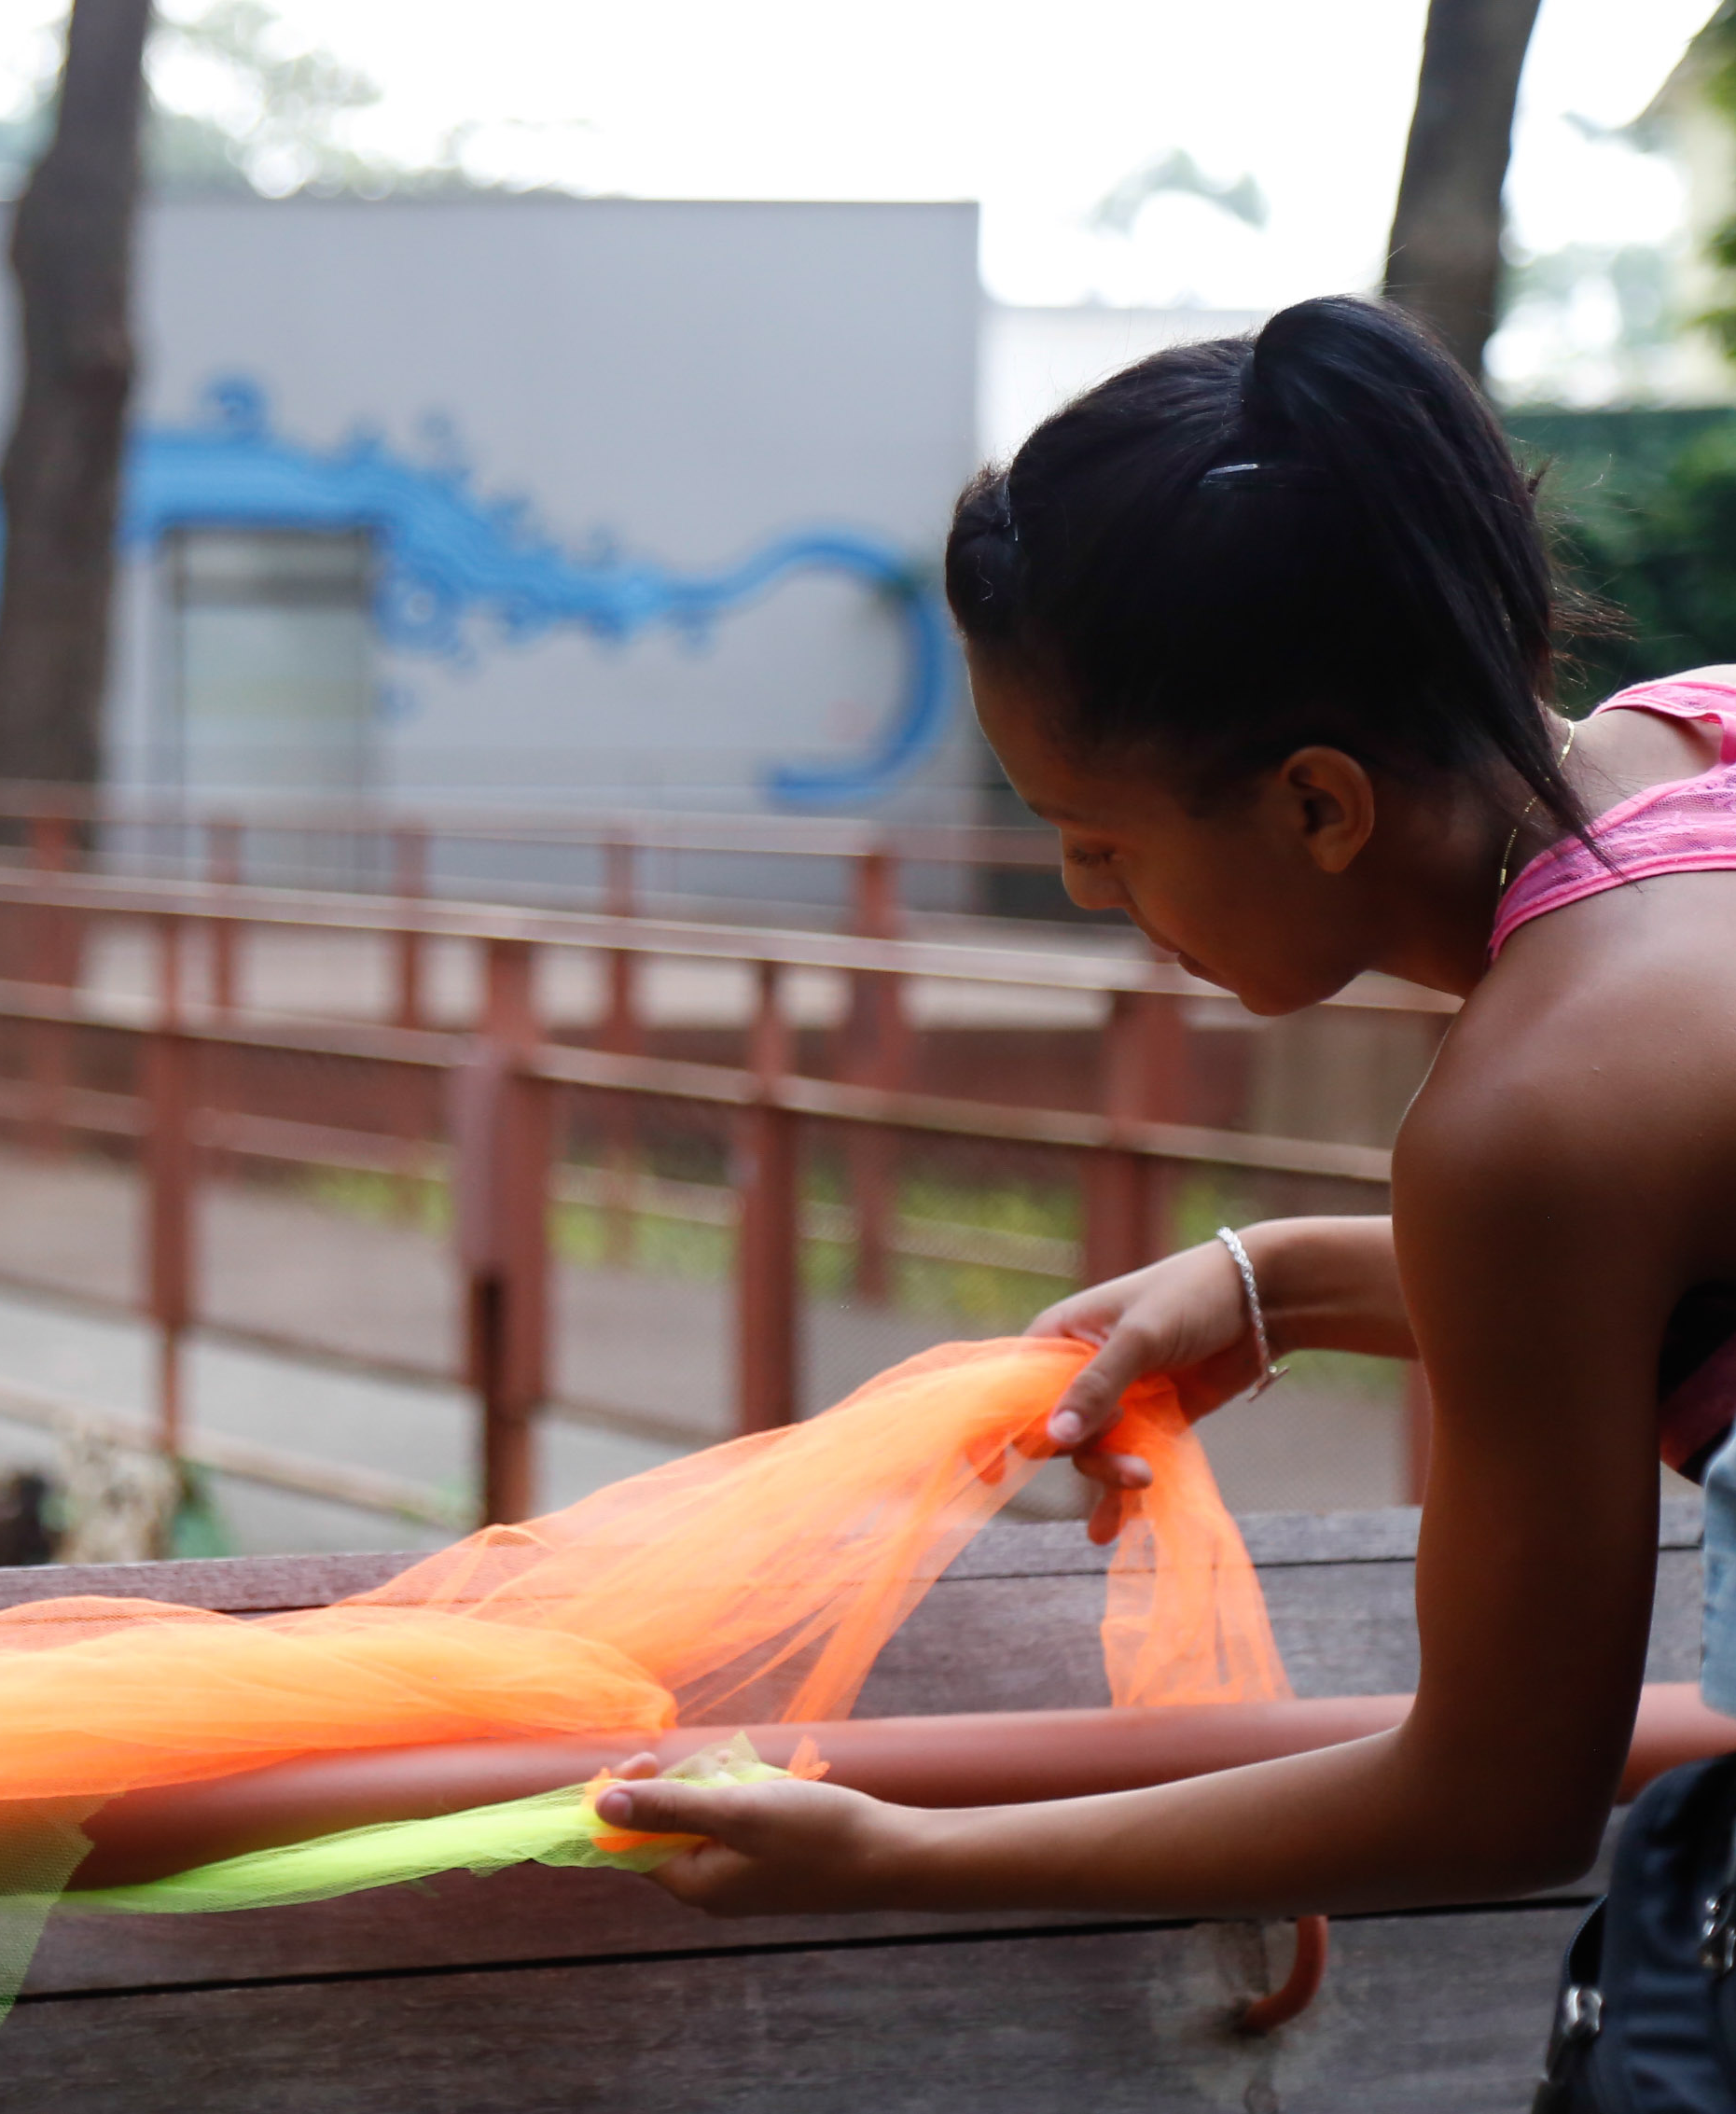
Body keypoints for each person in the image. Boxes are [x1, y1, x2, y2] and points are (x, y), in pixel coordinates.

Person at [595, 294, 1736, 1918]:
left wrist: (902, 1853)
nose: (1078, 885)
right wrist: (1279, 1281)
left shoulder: (1528, 1122)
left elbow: (1496, 1798)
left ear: (1317, 803)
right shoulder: (1703, 728)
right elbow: (1645, 1251)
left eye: (1098, 837)